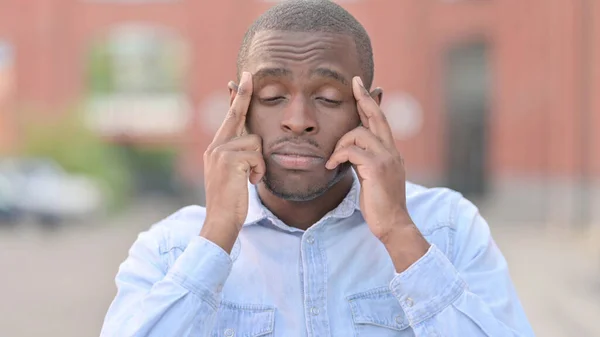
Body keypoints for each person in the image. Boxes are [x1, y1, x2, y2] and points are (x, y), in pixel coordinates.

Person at [100, 1, 535, 336]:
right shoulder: (170, 250)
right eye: (271, 96)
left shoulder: (447, 228)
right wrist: (216, 235)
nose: (298, 119)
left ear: (369, 111)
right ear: (239, 107)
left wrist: (400, 234)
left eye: (327, 98)